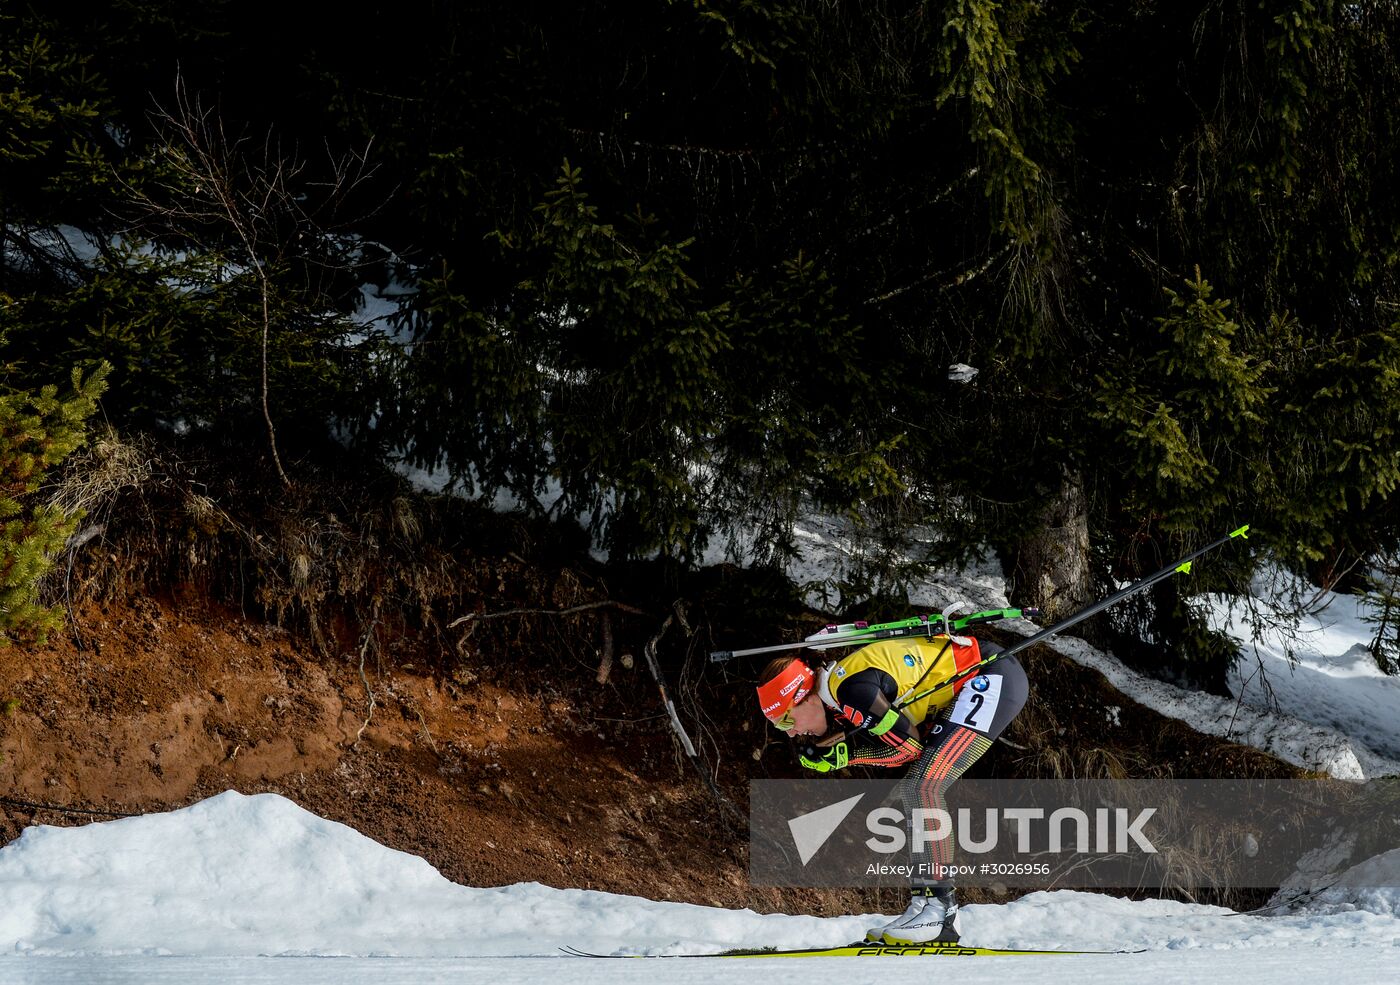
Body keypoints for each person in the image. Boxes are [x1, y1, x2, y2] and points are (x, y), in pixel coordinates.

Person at [756, 632, 1028, 945]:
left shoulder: (849, 690)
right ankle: (924, 905)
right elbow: (905, 741)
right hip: (974, 676)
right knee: (917, 789)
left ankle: (940, 911)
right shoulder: (838, 693)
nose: (791, 733)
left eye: (785, 721)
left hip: (990, 673)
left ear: (804, 697)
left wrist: (848, 756)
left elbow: (908, 749)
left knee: (924, 787)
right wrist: (842, 755)